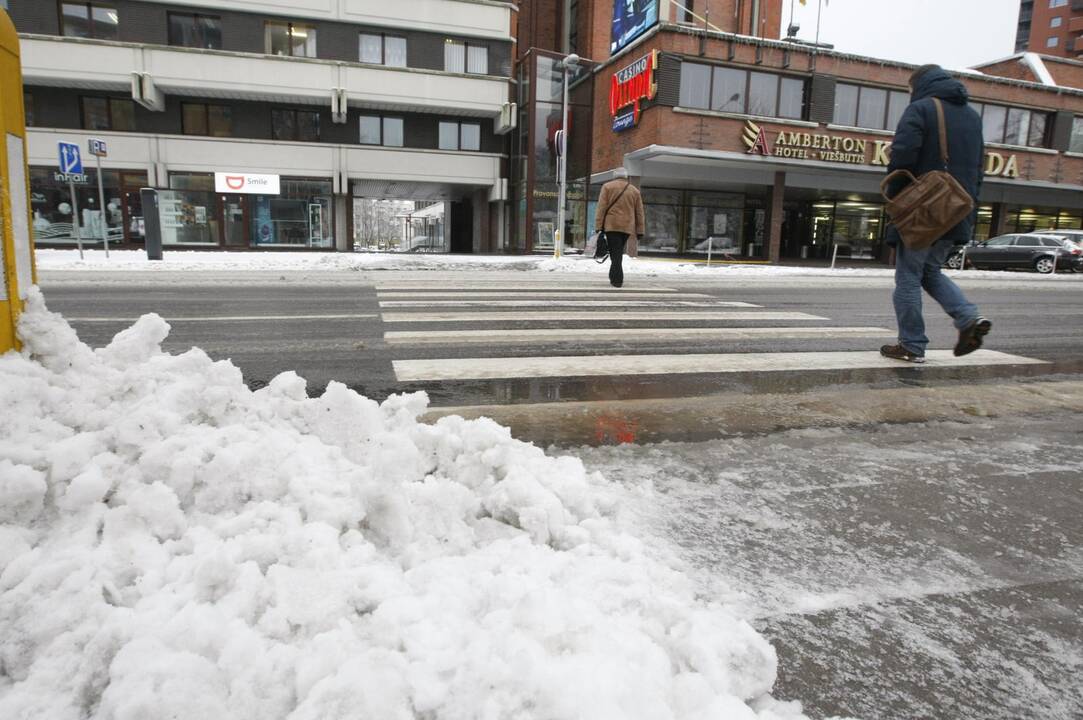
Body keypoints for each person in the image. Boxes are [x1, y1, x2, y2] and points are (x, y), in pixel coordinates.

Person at [881, 64, 991, 364]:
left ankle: (911, 344)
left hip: (924, 210)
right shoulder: (972, 116)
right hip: (957, 208)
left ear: (918, 85)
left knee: (907, 277)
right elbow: (980, 171)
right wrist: (969, 209)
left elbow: (903, 156)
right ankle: (968, 318)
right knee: (929, 271)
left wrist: (897, 198)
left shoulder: (921, 109)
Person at [594, 168, 645, 288]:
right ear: (626, 177)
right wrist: (640, 230)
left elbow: (601, 208)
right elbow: (639, 212)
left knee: (615, 254)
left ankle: (617, 279)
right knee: (617, 252)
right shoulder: (634, 191)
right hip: (627, 227)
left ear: (614, 176)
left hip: (611, 225)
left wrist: (598, 226)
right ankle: (615, 277)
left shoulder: (607, 187)